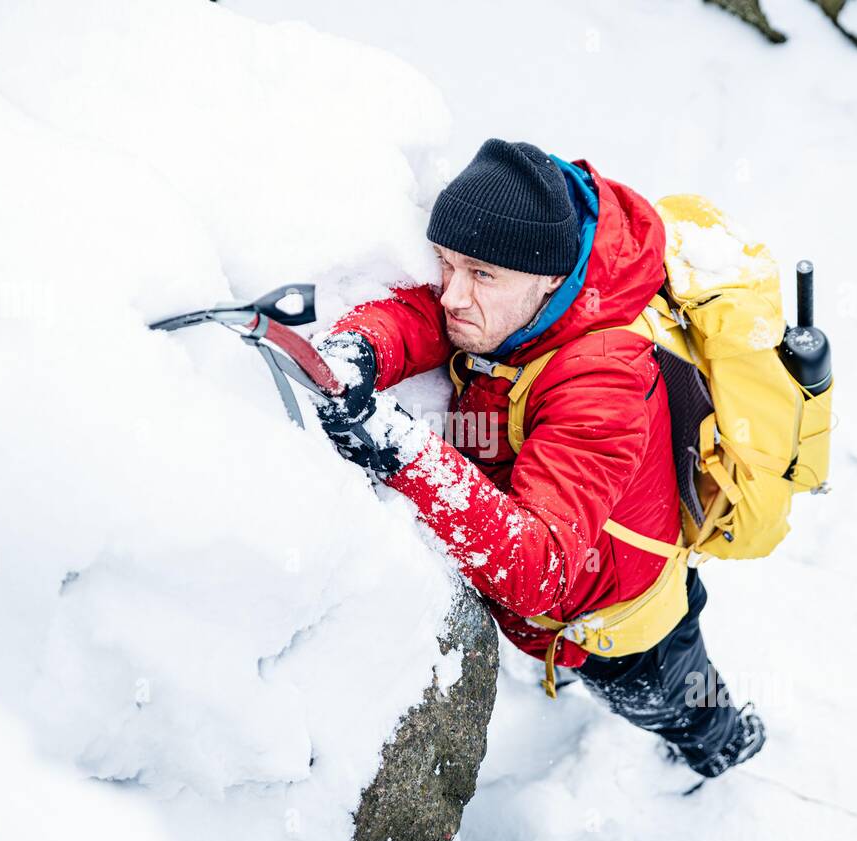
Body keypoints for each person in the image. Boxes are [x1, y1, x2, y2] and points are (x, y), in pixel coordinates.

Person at [316, 138, 764, 780]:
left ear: (552, 278)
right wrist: (365, 347)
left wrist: (404, 452)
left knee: (669, 699)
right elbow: (430, 315)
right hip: (565, 594)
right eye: (447, 265)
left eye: (481, 275)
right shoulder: (521, 300)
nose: (452, 296)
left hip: (624, 621)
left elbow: (543, 567)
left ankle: (725, 746)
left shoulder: (603, 384)